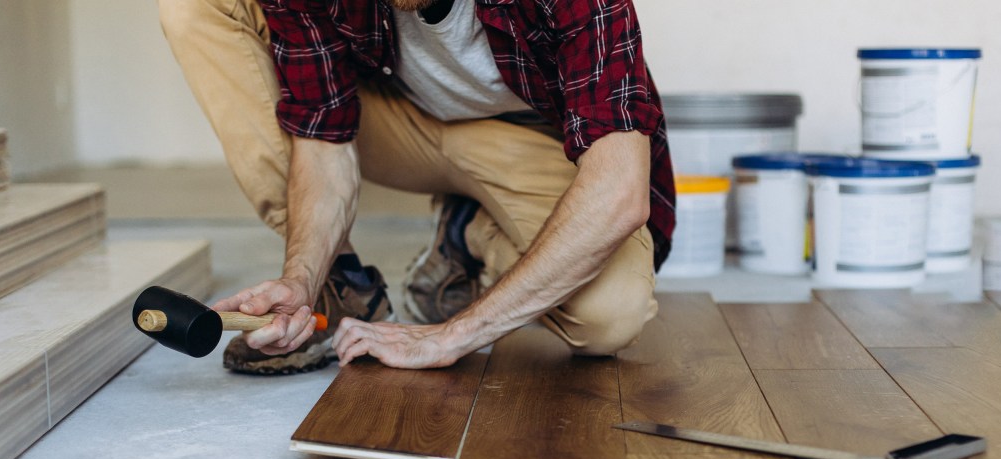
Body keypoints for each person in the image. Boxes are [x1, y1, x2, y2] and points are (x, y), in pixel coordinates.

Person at [158, 0, 676, 373]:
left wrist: (454, 336)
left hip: (536, 142)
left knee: (610, 316)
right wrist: (302, 278)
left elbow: (618, 190)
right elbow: (322, 142)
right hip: (396, 126)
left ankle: (468, 231)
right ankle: (341, 289)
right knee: (196, 6)